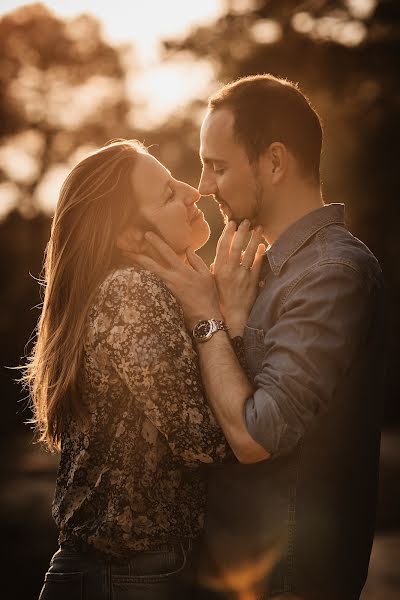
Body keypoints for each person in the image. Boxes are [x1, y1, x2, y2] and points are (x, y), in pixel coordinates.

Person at [133, 75, 386, 600]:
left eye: (218, 166)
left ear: (274, 162)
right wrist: (231, 318)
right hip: (240, 575)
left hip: (288, 580)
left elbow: (256, 436)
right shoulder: (263, 273)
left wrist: (207, 317)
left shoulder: (333, 273)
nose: (203, 186)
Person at [22, 139, 265, 600]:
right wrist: (223, 322)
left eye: (175, 181)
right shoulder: (132, 294)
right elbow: (207, 440)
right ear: (131, 237)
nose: (192, 193)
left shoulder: (151, 290)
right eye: (169, 196)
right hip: (124, 577)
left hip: (128, 573)